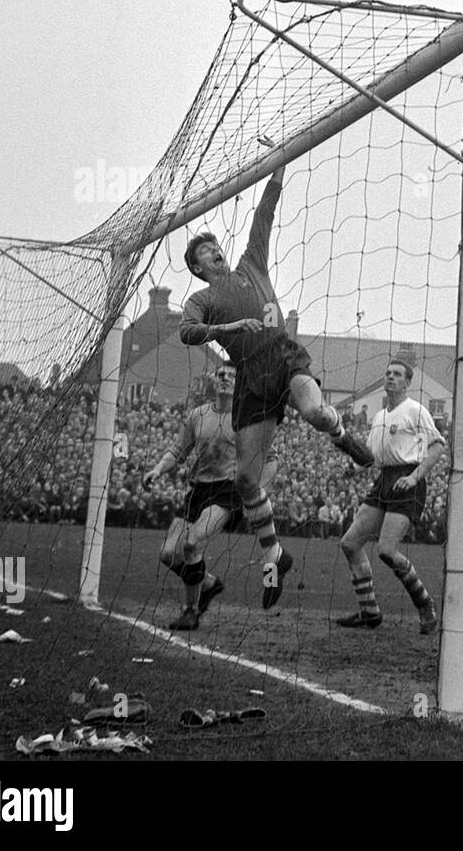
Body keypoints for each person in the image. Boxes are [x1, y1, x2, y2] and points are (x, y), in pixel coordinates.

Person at [179, 165, 374, 610]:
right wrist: (227, 326)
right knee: (246, 480)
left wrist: (280, 164)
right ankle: (275, 558)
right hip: (250, 375)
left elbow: (265, 211)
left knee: (317, 413)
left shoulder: (251, 262)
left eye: (215, 247)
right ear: (197, 267)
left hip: (282, 355)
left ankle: (345, 437)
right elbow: (186, 332)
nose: (216, 253)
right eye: (207, 253)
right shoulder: (201, 300)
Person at [142, 365, 278, 630]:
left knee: (192, 543)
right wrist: (158, 469)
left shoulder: (248, 418)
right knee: (169, 553)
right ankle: (208, 583)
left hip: (228, 492)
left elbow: (271, 459)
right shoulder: (197, 415)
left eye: (231, 375)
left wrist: (257, 492)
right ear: (214, 381)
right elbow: (178, 450)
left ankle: (191, 611)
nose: (225, 378)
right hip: (198, 490)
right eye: (221, 374)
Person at [336, 357, 446, 634]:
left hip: (407, 481)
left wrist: (413, 477)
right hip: (384, 481)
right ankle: (369, 611)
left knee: (386, 550)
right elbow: (371, 457)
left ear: (408, 382)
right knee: (350, 543)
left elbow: (436, 447)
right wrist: (351, 468)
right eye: (388, 373)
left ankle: (424, 603)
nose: (390, 377)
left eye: (397, 374)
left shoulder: (415, 411)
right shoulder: (381, 416)